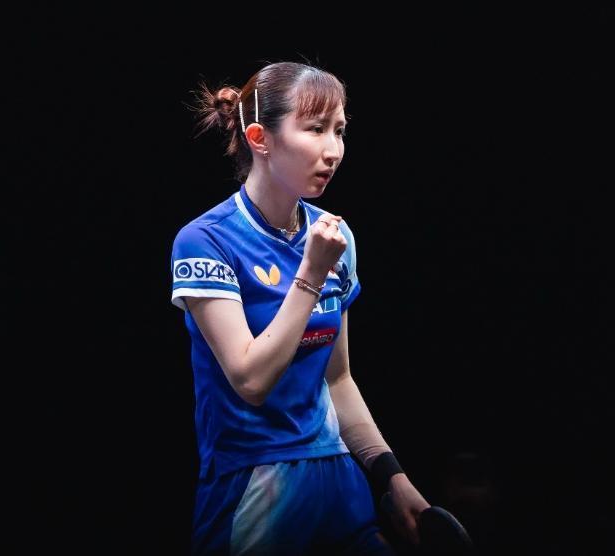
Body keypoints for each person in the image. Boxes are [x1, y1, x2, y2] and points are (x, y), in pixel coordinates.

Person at [170, 61, 430, 555]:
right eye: (314, 129)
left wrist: (393, 477)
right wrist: (310, 273)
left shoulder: (335, 237)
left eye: (340, 131)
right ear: (259, 138)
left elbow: (338, 380)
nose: (333, 150)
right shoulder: (205, 241)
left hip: (339, 478)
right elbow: (250, 380)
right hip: (255, 487)